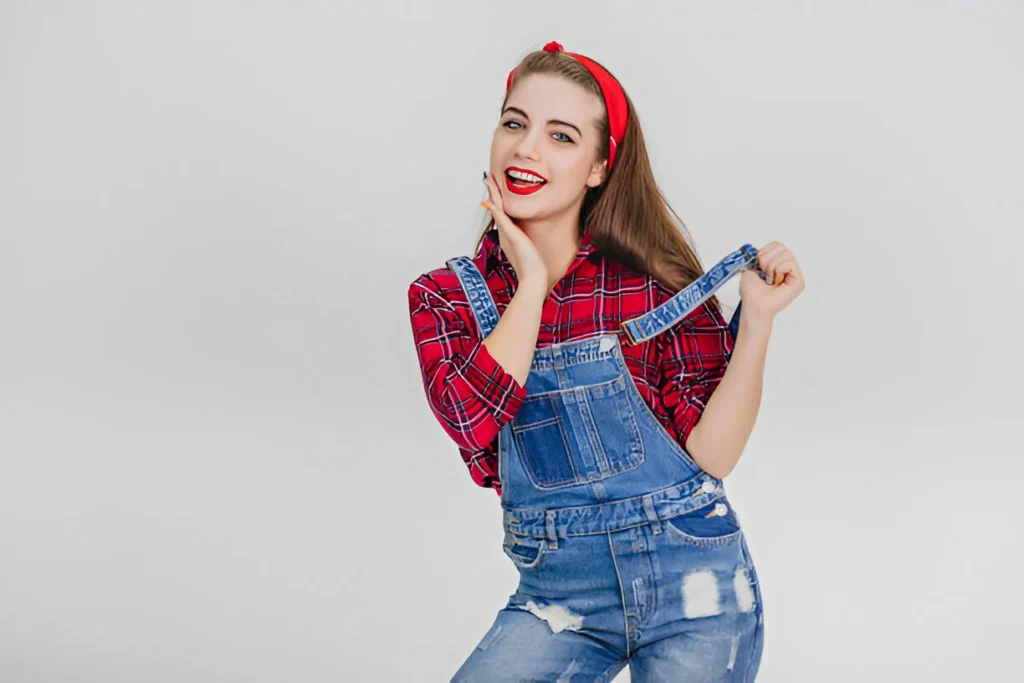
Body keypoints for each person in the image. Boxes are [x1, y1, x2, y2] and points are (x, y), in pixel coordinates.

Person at [407, 40, 804, 682]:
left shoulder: (651, 288)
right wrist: (530, 283)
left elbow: (713, 457)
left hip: (695, 591)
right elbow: (470, 421)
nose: (526, 149)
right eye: (514, 123)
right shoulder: (448, 297)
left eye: (561, 136)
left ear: (598, 167)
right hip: (559, 599)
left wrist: (755, 321)